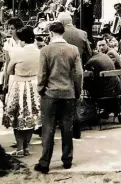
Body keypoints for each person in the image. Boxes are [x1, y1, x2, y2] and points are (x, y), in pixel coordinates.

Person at [34, 22, 83, 174]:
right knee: (67, 127)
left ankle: (44, 163)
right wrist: (77, 91)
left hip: (50, 93)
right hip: (68, 93)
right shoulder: (73, 50)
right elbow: (79, 74)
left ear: (50, 33)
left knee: (48, 128)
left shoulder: (46, 50)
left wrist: (41, 89)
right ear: (63, 33)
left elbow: (42, 74)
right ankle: (67, 160)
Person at [2, 26, 41, 157]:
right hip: (34, 85)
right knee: (31, 116)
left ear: (22, 40)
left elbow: (8, 70)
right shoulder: (39, 52)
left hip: (19, 85)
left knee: (17, 117)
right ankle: (26, 146)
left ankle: (19, 148)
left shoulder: (18, 52)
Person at [57, 12, 92, 139]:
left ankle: (64, 129)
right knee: (76, 98)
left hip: (61, 71)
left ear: (61, 23)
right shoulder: (82, 33)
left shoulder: (58, 35)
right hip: (78, 69)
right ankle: (76, 130)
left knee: (62, 100)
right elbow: (89, 53)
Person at [84, 41, 121, 122]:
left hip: (110, 88)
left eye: (103, 45)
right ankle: (108, 111)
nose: (101, 47)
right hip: (117, 86)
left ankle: (94, 112)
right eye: (99, 45)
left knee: (88, 86)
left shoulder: (93, 60)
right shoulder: (104, 55)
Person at [2, 17, 24, 89]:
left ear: (18, 29)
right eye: (8, 28)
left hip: (24, 72)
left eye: (12, 28)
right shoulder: (7, 43)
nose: (10, 31)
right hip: (12, 73)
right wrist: (5, 82)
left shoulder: (25, 42)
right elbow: (7, 62)